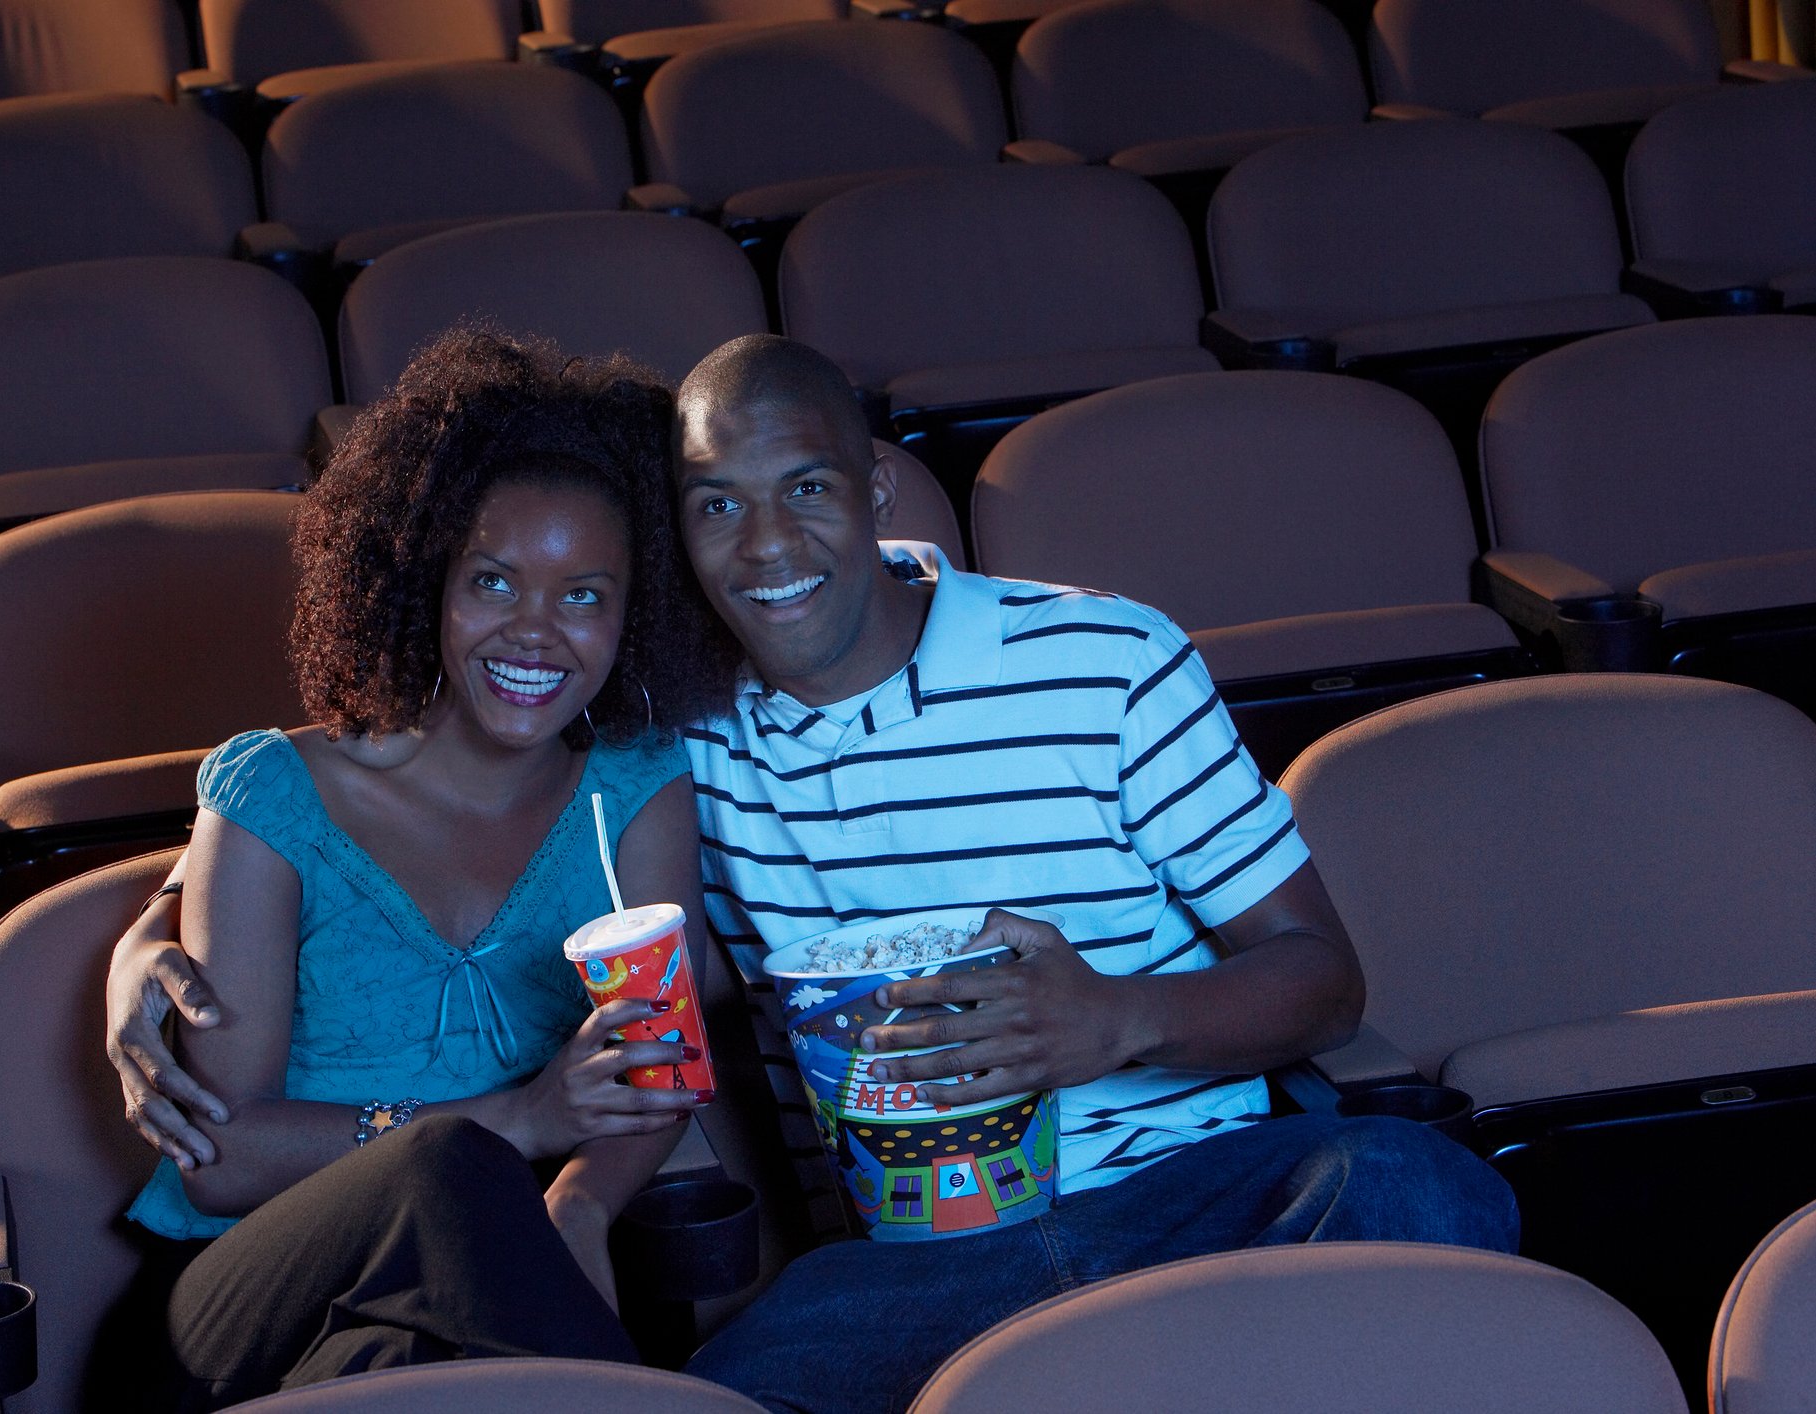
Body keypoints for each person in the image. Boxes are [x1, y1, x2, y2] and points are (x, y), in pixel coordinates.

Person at [110, 335, 1518, 1414]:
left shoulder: (1087, 664)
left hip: (1195, 1188)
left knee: (1413, 1181)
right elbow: (332, 840)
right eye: (715, 505)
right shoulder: (687, 743)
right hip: (912, 1268)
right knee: (684, 1368)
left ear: (876, 483)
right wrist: (146, 931)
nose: (767, 545)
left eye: (804, 491)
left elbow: (1326, 979)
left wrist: (1114, 1020)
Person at [102, 329, 739, 1410]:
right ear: (424, 580)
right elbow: (217, 1152)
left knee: (411, 1374)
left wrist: (577, 1202)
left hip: (457, 1323)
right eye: (493, 580)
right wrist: (520, 1122)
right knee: (447, 1166)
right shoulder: (277, 802)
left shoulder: (635, 787)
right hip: (241, 1306)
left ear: (636, 612)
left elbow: (657, 1067)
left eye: (586, 594)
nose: (536, 631)